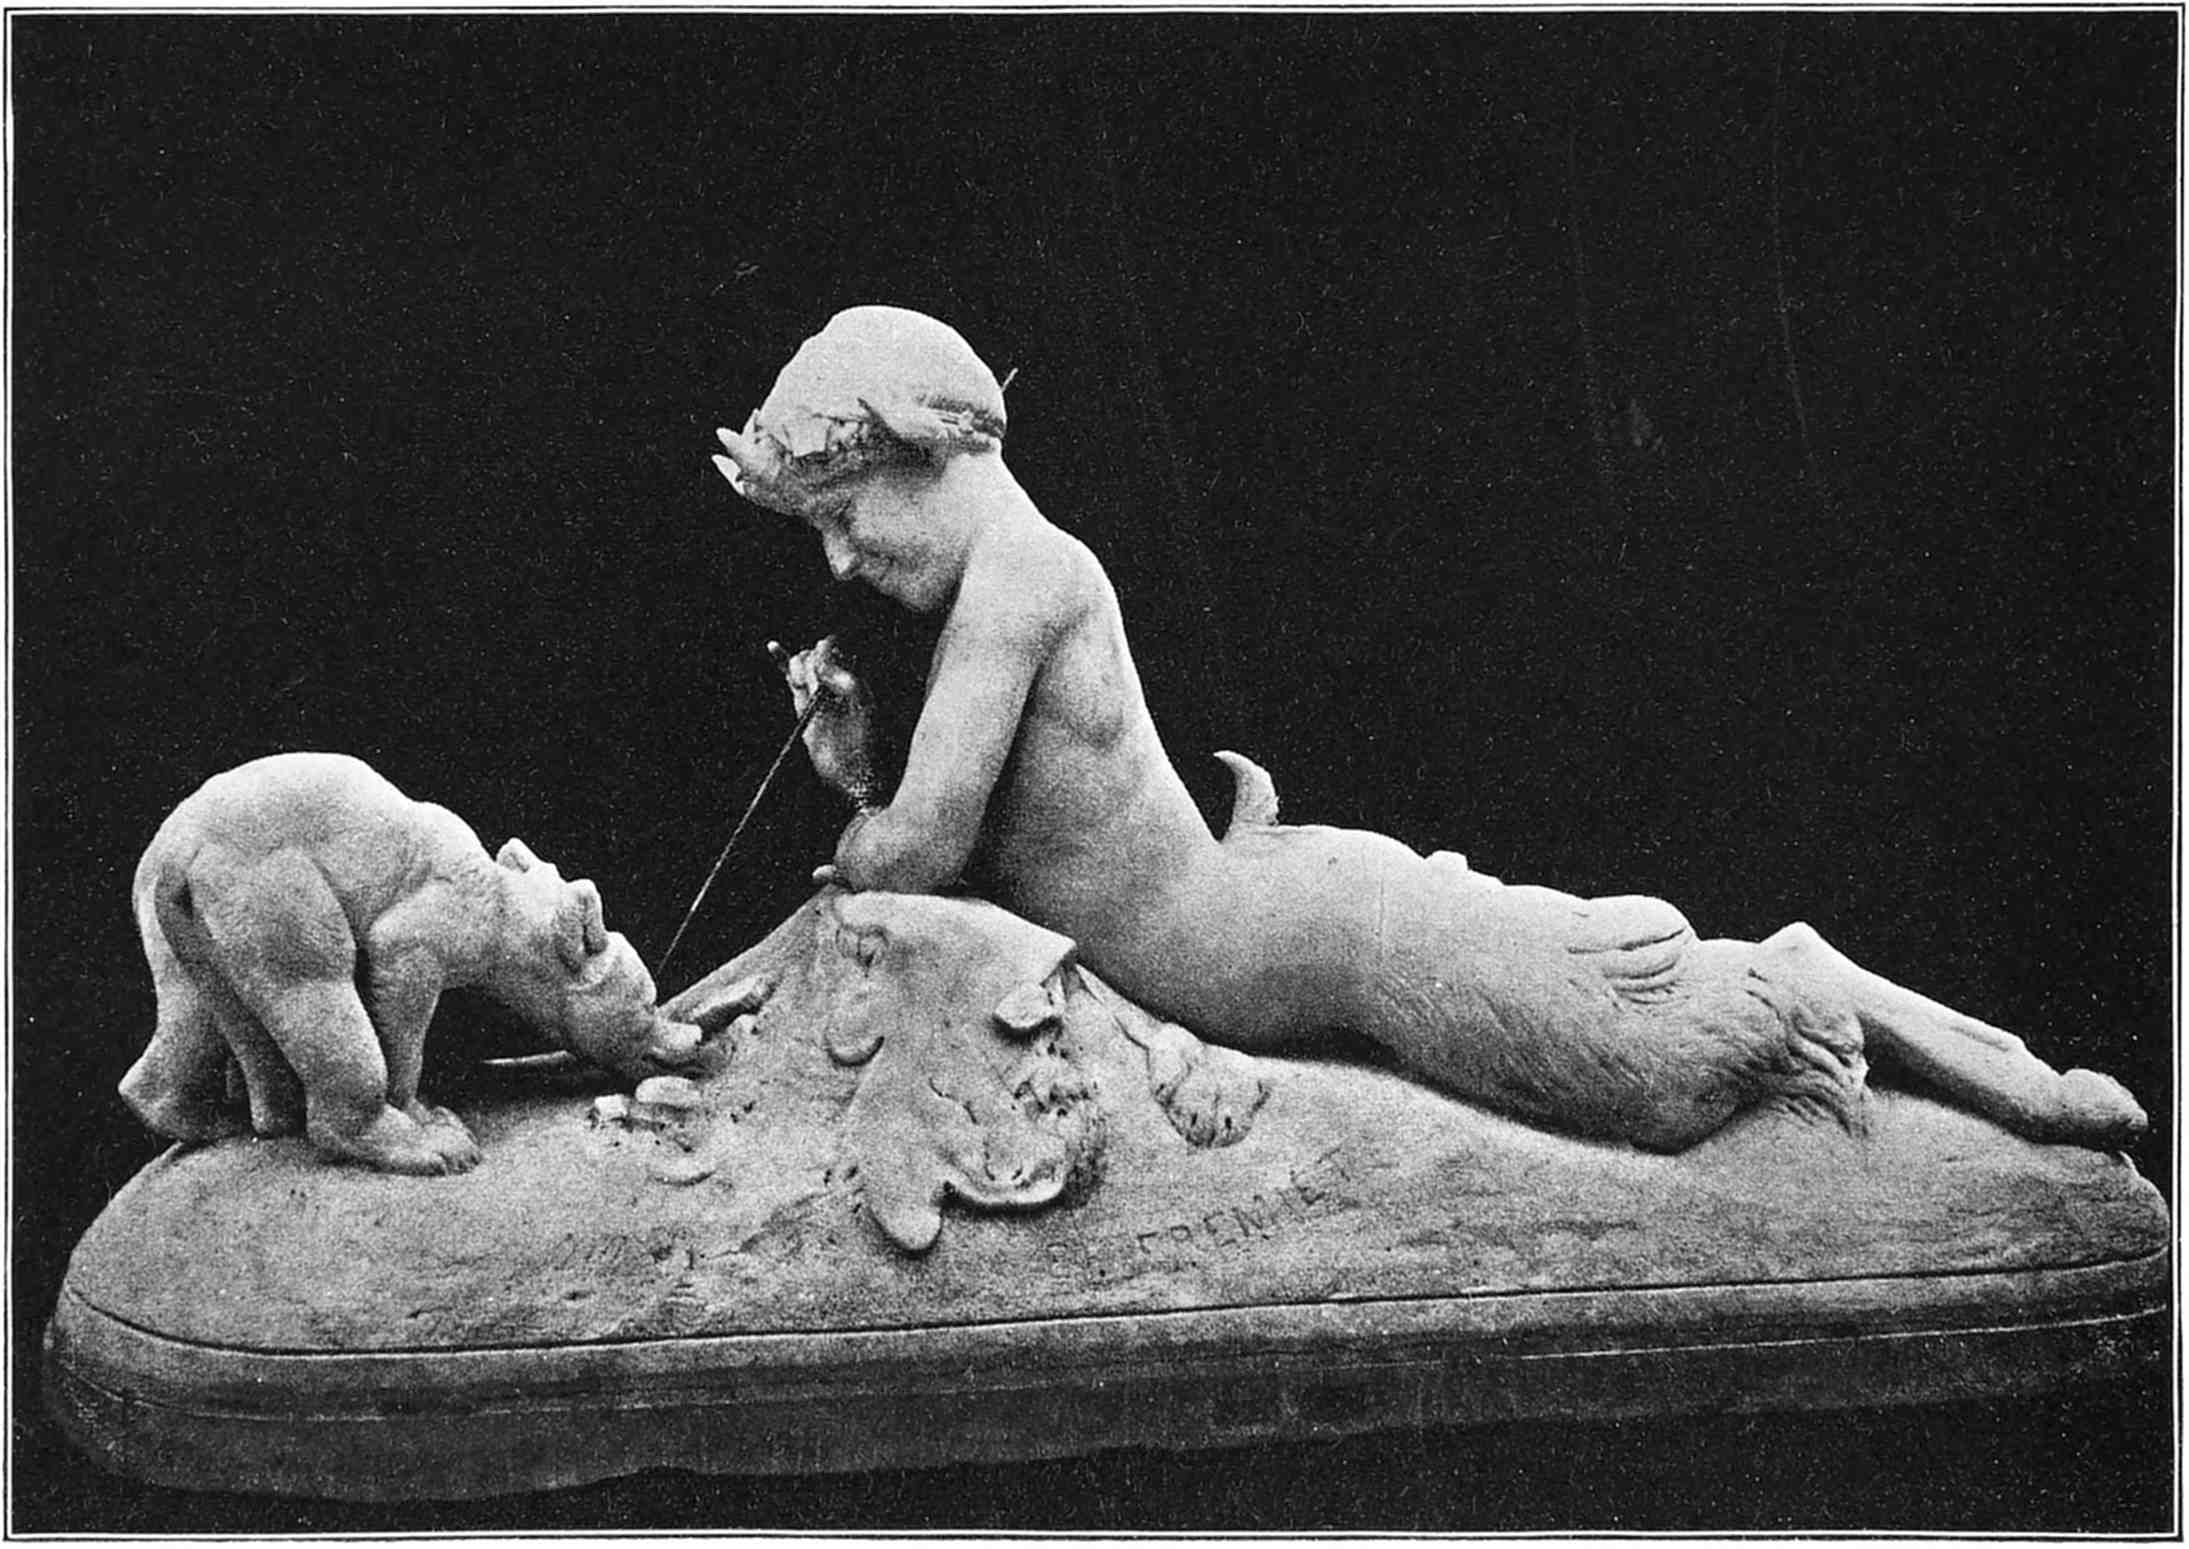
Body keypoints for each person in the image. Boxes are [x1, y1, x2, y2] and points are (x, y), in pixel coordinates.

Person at [711, 305, 2146, 1152]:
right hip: (1277, 930)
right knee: (1619, 1030)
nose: (838, 560)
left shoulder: (1017, 582)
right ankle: (1854, 1006)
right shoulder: (1010, 585)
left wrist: (862, 815)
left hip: (1304, 947)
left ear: (929, 450)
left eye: (843, 512)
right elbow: (958, 843)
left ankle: (1913, 1031)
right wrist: (858, 767)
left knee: (1647, 1078)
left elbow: (919, 852)